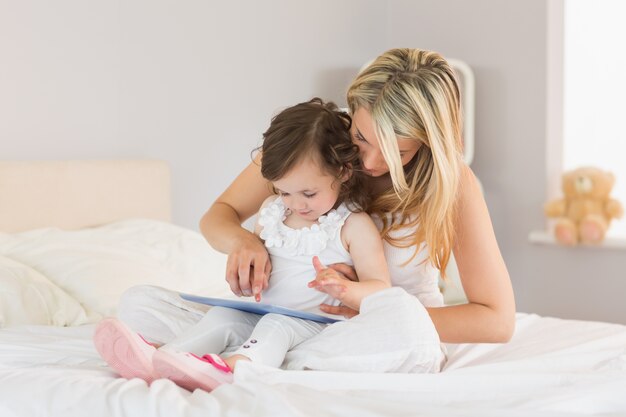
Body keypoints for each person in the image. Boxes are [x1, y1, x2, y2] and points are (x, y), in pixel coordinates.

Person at [113, 47, 513, 376]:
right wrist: (244, 242)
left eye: (397, 152)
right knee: (140, 303)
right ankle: (249, 356)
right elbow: (220, 214)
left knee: (412, 334)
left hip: (368, 333)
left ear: (428, 144)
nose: (370, 162)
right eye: (361, 137)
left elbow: (497, 320)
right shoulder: (314, 147)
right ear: (352, 111)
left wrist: (364, 307)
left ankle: (255, 361)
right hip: (277, 318)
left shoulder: (452, 184)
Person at [93, 98, 443, 392]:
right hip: (260, 316)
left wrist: (345, 289)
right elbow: (262, 266)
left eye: (308, 193)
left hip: (313, 324)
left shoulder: (353, 225)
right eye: (285, 192)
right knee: (218, 315)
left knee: (282, 328)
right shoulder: (271, 214)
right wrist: (249, 274)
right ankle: (167, 358)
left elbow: (380, 290)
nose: (296, 203)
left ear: (343, 174)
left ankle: (232, 369)